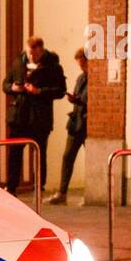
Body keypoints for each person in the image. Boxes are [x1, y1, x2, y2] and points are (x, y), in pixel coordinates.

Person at [1, 36, 65, 195]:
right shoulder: (18, 62)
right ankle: (11, 186)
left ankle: (38, 186)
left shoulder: (53, 66)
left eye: (34, 54)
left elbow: (60, 90)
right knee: (14, 153)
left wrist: (39, 92)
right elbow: (5, 84)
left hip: (39, 118)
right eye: (29, 53)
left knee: (39, 153)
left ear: (41, 50)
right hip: (19, 116)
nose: (31, 57)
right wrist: (13, 88)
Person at [48, 48, 89, 205]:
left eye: (83, 64)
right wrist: (74, 99)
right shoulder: (80, 78)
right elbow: (80, 97)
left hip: (86, 124)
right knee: (67, 157)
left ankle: (90, 193)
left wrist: (78, 99)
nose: (81, 68)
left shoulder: (94, 79)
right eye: (80, 64)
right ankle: (62, 192)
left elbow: (88, 99)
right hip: (75, 123)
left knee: (89, 160)